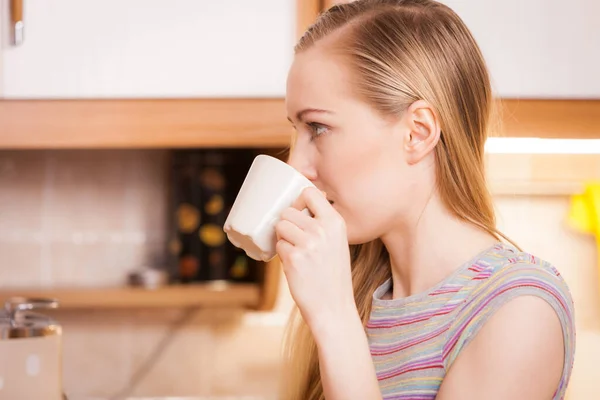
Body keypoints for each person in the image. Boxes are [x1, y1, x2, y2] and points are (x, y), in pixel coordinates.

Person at [273, 0, 576, 399]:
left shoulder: (518, 308)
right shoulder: (361, 296)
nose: (297, 165)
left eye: (319, 128)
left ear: (417, 133)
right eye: (298, 130)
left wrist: (334, 321)